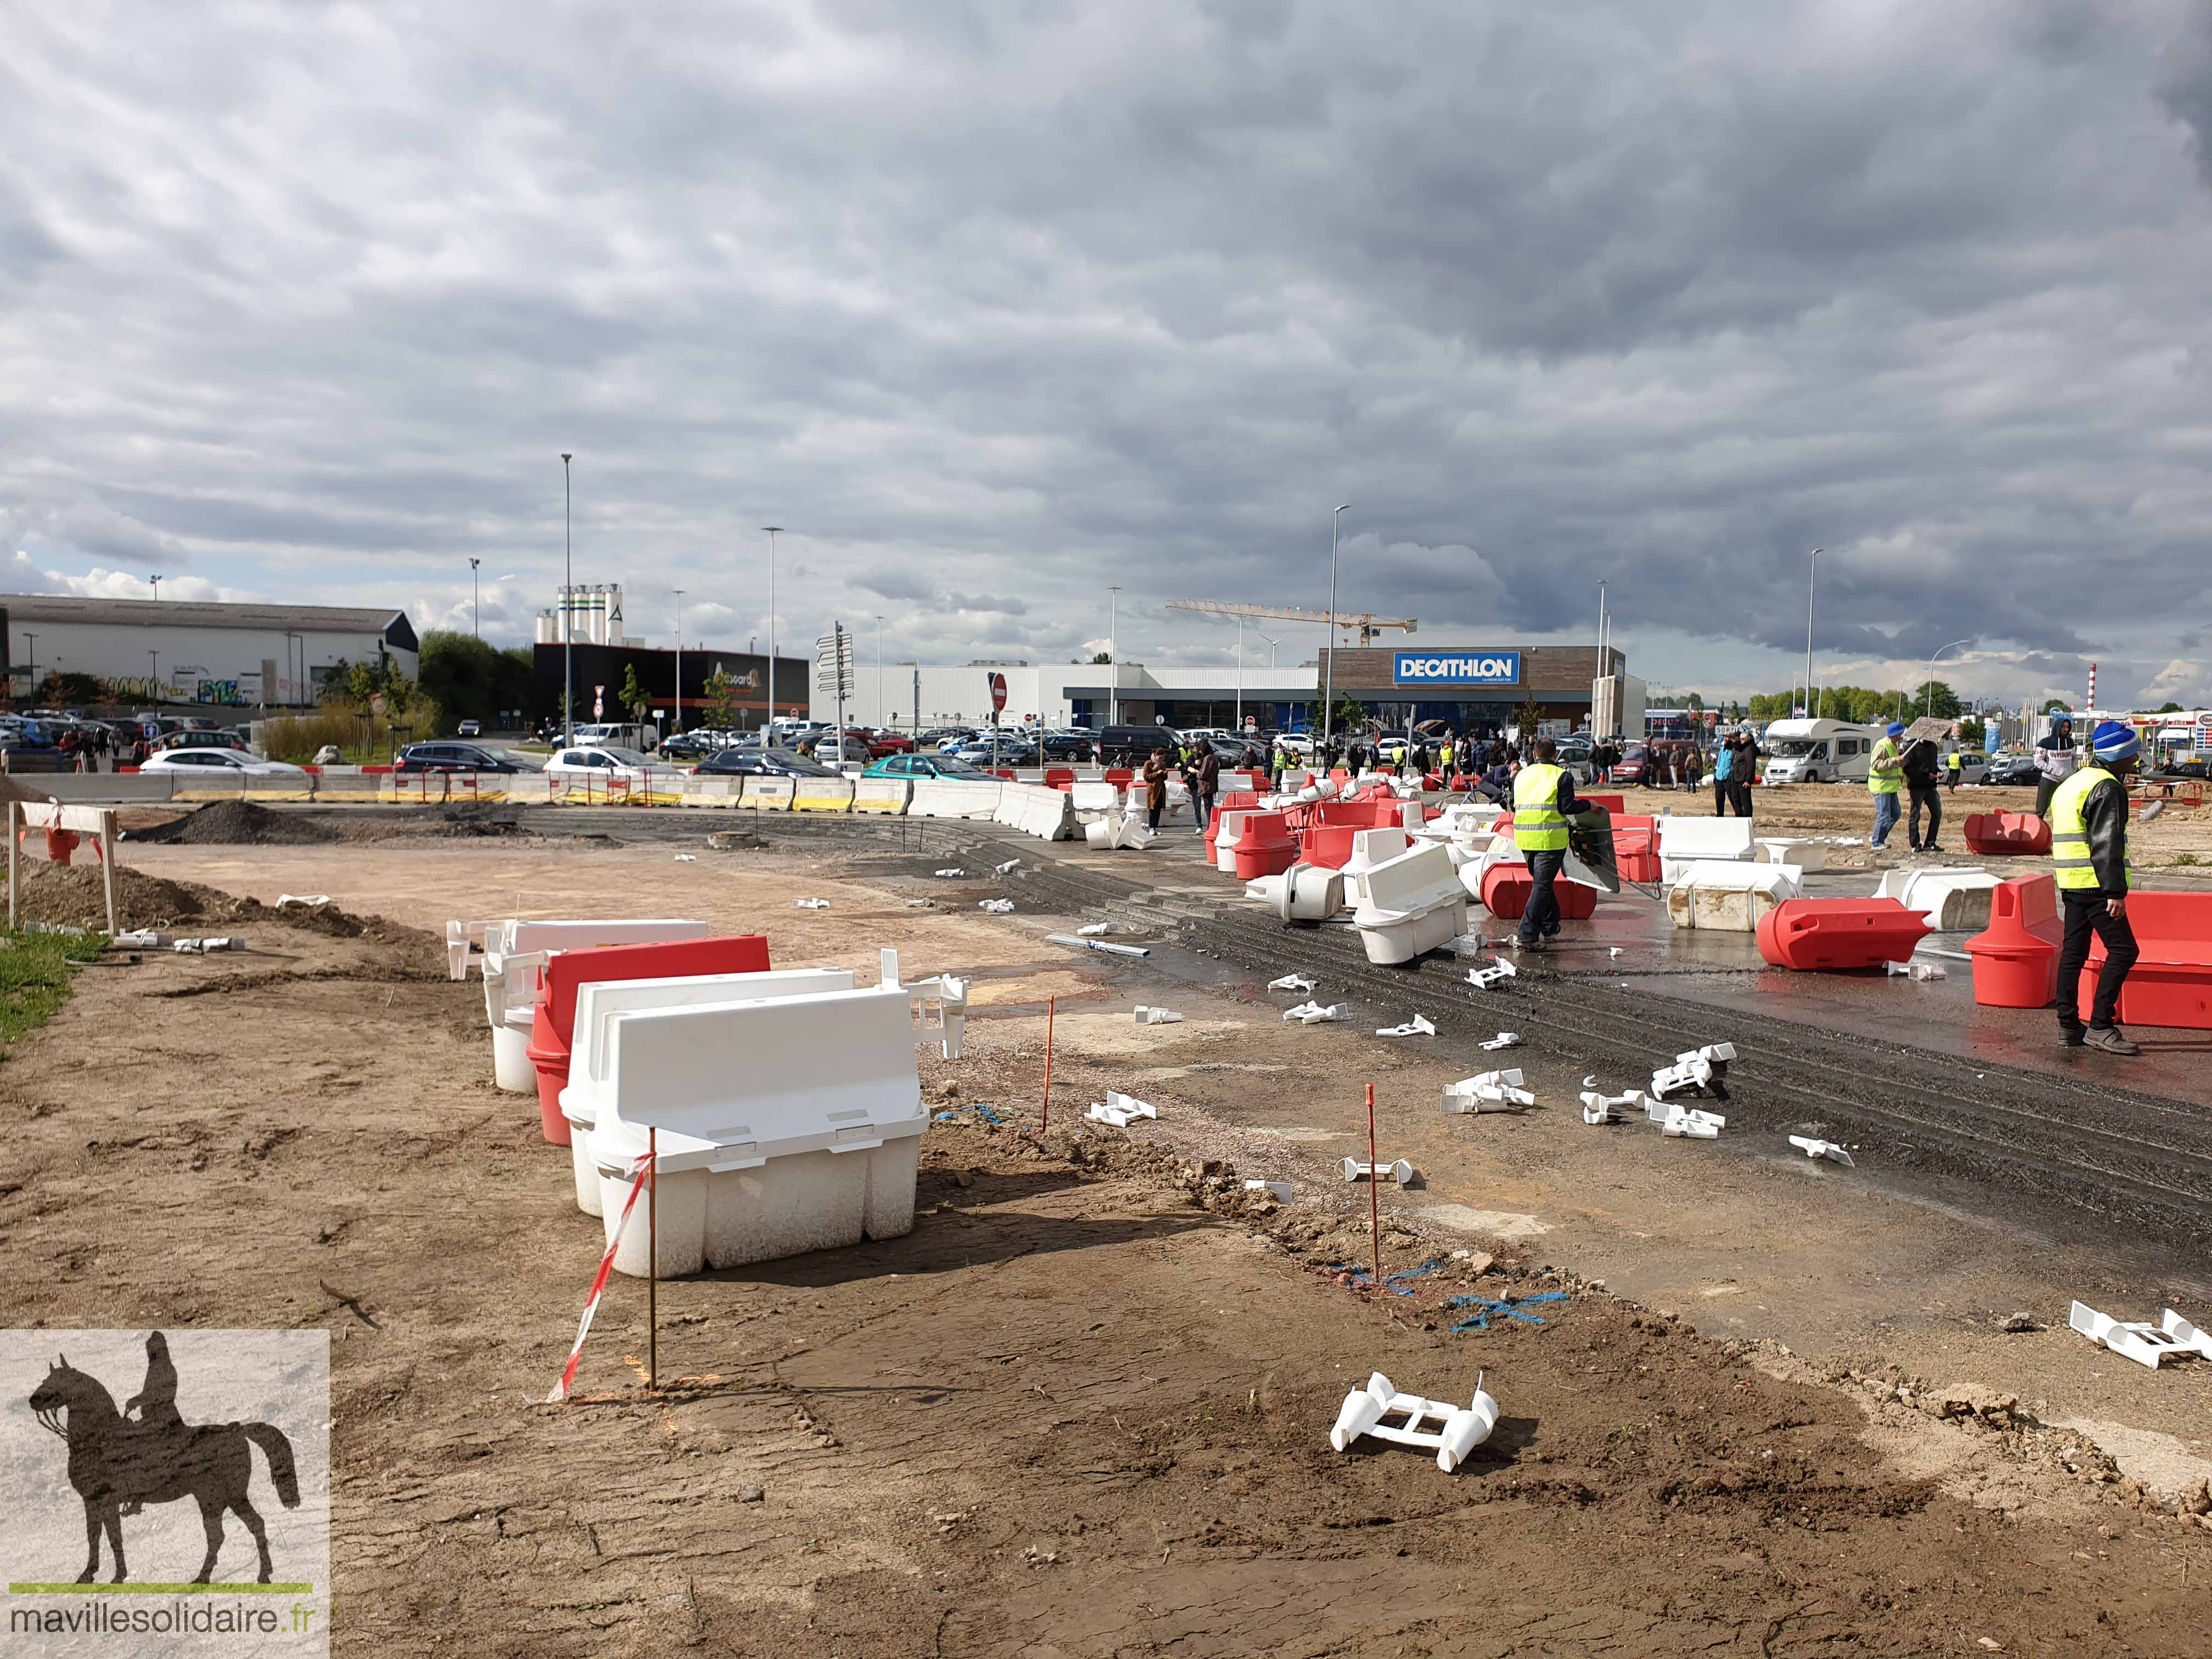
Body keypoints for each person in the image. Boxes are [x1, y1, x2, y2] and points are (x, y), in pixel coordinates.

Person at [2051, 721, 2143, 1057]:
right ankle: (2101, 1026)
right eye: (2131, 755)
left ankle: (2068, 1025)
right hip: (2097, 886)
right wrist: (2115, 892)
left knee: (2073, 954)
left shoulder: (2072, 783)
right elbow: (2107, 845)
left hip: (2071, 883)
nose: (2134, 762)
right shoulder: (2108, 788)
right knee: (2124, 951)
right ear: (2118, 755)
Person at [1513, 737, 1578, 949]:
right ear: (1555, 755)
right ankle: (1527, 934)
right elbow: (1567, 807)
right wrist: (1590, 805)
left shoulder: (1521, 775)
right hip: (1550, 841)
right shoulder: (1562, 776)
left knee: (1543, 884)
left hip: (1525, 839)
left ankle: (1550, 927)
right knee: (1542, 886)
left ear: (1534, 755)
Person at [1902, 726, 1943, 853]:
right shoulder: (1911, 746)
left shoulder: (1933, 746)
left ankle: (1930, 842)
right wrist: (1925, 775)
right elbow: (1907, 769)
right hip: (1917, 786)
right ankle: (1915, 844)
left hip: (1931, 786)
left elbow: (1934, 765)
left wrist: (1938, 772)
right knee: (1915, 814)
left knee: (1937, 813)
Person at [1867, 721, 1906, 849]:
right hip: (1881, 786)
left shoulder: (1893, 745)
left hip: (1890, 787)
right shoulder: (1883, 746)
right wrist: (1895, 760)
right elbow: (1876, 764)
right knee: (1884, 815)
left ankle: (1878, 835)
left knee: (1896, 813)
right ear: (1896, 735)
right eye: (1901, 733)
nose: (1902, 736)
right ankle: (1877, 842)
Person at [2035, 718, 2078, 819]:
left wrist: (2072, 771)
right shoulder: (2045, 743)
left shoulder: (2071, 742)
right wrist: (2054, 771)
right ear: (2058, 727)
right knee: (2041, 810)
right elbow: (2038, 762)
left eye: (2068, 727)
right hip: (2049, 780)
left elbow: (2075, 758)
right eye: (2063, 727)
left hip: (2066, 782)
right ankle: (2036, 832)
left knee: (2065, 810)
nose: (2066, 729)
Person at [1190, 741, 1220, 838]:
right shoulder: (1213, 758)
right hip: (1211, 785)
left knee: (1208, 809)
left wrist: (1195, 772)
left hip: (1206, 787)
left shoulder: (1208, 758)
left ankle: (1211, 828)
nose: (1199, 752)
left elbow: (1203, 774)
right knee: (1210, 807)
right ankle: (1211, 827)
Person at [1729, 730, 1757, 818]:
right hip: (1736, 777)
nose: (1741, 741)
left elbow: (1750, 765)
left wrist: (1748, 780)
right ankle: (1739, 818)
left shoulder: (1749, 749)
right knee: (1736, 799)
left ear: (1748, 739)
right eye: (1740, 739)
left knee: (1745, 801)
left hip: (1744, 779)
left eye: (1743, 739)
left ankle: (1747, 819)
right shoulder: (1743, 748)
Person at [1142, 747, 1170, 832]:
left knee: (1158, 809)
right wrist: (1156, 773)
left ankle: (1155, 828)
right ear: (1155, 755)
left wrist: (1165, 774)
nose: (1162, 759)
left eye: (1163, 758)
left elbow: (1165, 778)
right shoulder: (1148, 763)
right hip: (1152, 790)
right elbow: (1146, 777)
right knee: (1152, 809)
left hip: (1161, 790)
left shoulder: (1163, 764)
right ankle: (1151, 827)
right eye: (1160, 758)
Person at [1711, 735, 1735, 815]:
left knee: (1732, 798)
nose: (1726, 741)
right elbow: (1719, 763)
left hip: (1728, 777)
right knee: (1719, 798)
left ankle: (1739, 814)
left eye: (1727, 740)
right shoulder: (1722, 749)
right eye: (1725, 740)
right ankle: (1720, 815)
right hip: (1719, 777)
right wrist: (1716, 773)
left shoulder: (1733, 751)